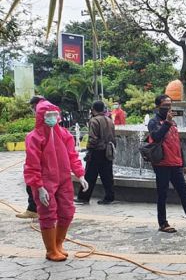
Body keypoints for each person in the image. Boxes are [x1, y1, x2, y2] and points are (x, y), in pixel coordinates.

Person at [24, 101, 88, 261]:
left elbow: (72, 156)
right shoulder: (34, 137)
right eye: (48, 115)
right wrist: (38, 186)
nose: (52, 118)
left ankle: (58, 244)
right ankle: (50, 249)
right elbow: (32, 163)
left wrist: (80, 174)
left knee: (67, 211)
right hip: (45, 182)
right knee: (47, 214)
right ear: (40, 116)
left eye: (54, 114)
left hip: (64, 179)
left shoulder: (64, 134)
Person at [147, 94, 186, 233]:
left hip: (175, 164)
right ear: (158, 107)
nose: (169, 108)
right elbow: (156, 137)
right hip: (162, 164)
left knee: (184, 192)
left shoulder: (174, 123)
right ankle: (163, 223)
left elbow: (177, 144)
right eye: (165, 105)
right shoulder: (154, 122)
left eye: (170, 104)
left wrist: (183, 163)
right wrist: (168, 122)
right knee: (162, 194)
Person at [76, 101, 116, 205]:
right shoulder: (109, 120)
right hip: (108, 150)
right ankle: (109, 197)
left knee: (90, 174)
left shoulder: (94, 120)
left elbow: (93, 138)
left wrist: (89, 149)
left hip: (97, 151)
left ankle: (84, 197)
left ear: (93, 109)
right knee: (107, 175)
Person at [16, 96, 46, 219]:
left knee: (34, 184)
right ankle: (34, 209)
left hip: (42, 160)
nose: (32, 109)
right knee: (33, 184)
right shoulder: (45, 119)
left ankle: (35, 210)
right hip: (40, 159)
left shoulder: (45, 118)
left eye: (33, 106)